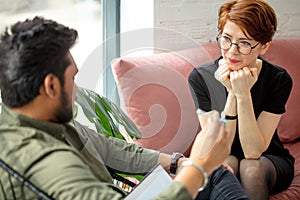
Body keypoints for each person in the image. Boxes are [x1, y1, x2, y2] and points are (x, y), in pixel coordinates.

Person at [0, 17, 249, 199]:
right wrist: (199, 166)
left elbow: (108, 148)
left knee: (216, 175)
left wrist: (179, 163)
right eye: (72, 78)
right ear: (51, 86)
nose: (76, 89)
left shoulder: (42, 120)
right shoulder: (47, 162)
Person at [189, 0, 295, 199]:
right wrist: (231, 93)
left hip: (268, 158)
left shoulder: (279, 79)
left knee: (250, 168)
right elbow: (218, 148)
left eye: (245, 43)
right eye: (226, 39)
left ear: (263, 46)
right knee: (224, 165)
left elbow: (253, 151)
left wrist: (243, 94)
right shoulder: (200, 78)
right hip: (223, 153)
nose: (232, 51)